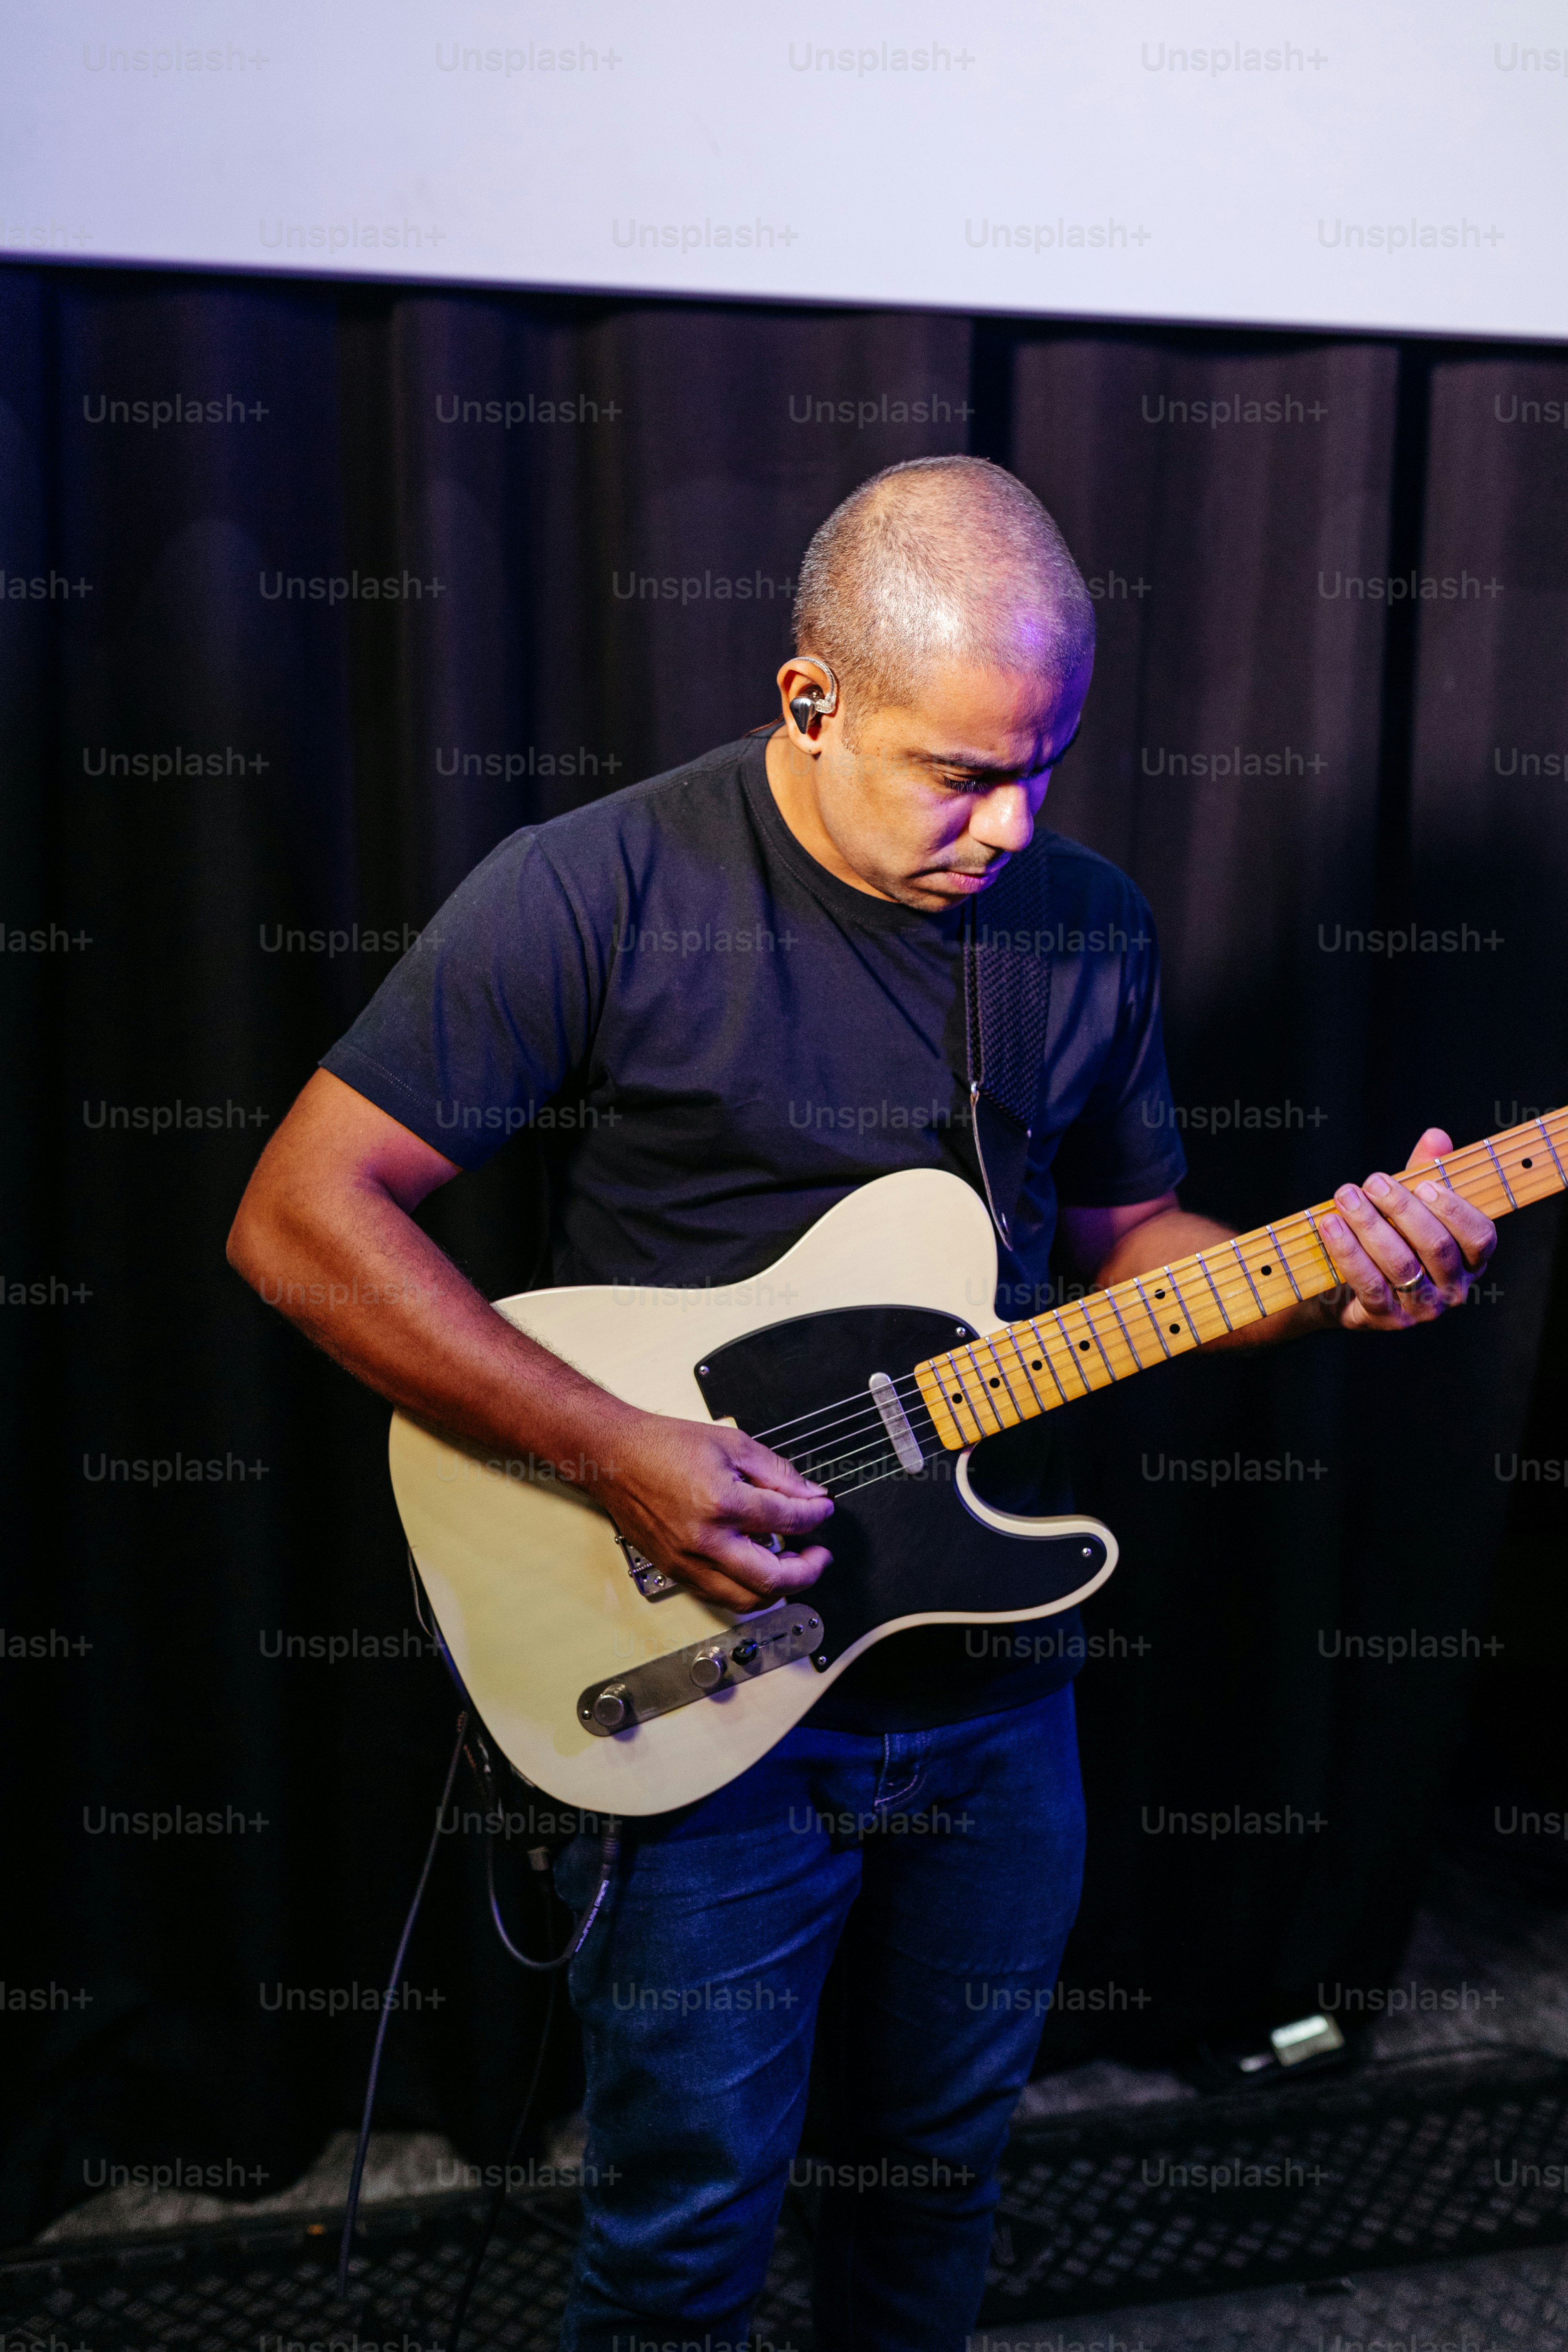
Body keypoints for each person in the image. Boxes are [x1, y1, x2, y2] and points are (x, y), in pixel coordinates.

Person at [227, 455, 1496, 2352]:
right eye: (959, 771)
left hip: (992, 1676)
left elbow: (1129, 1242)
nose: (1009, 822)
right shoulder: (598, 885)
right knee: (686, 2240)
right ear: (809, 698)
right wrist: (612, 1447)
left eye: (1044, 764)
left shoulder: (1082, 923)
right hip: (710, 1675)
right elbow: (298, 1215)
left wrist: (1336, 1269)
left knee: (938, 2188)